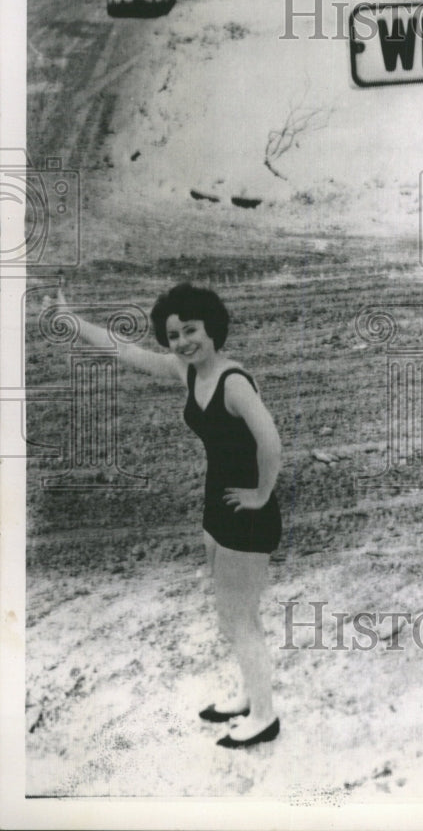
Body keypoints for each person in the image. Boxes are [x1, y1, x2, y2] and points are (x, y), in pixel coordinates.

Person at [56, 282, 282, 749]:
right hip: (217, 505)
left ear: (211, 327)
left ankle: (264, 715)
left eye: (191, 330)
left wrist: (261, 495)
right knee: (232, 616)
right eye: (174, 335)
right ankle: (249, 696)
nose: (182, 342)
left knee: (239, 617)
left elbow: (271, 440)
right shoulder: (187, 371)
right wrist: (76, 323)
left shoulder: (232, 381)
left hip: (247, 512)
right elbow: (127, 352)